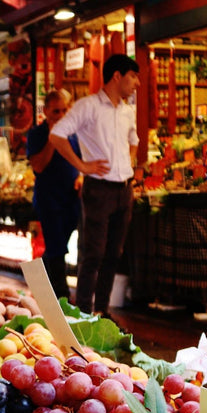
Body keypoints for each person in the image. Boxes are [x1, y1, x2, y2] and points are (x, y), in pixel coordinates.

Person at [48, 54, 140, 316]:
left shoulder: (127, 111)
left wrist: (127, 163)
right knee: (93, 254)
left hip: (125, 189)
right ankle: (85, 314)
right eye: (133, 76)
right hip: (98, 190)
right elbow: (57, 135)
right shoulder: (87, 106)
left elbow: (134, 140)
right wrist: (83, 165)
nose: (137, 84)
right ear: (117, 76)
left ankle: (103, 311)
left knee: (114, 254)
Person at [26, 89, 81, 303]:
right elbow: (38, 166)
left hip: (72, 198)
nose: (61, 115)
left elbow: (82, 161)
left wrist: (82, 177)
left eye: (65, 110)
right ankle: (62, 296)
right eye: (56, 111)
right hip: (49, 199)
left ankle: (43, 283)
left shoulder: (76, 133)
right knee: (57, 246)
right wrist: (52, 137)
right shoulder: (36, 134)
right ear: (46, 111)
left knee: (57, 246)